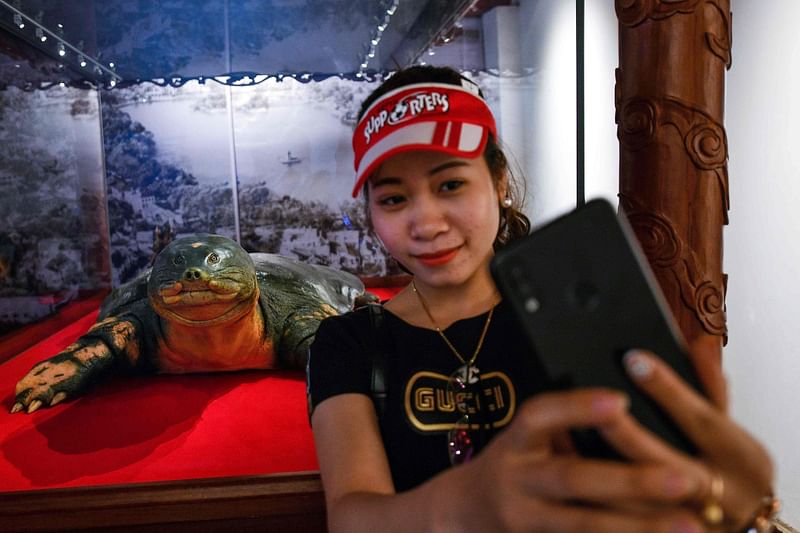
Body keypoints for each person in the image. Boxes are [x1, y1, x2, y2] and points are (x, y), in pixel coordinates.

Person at [307, 65, 777, 532]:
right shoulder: (348, 343)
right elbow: (352, 516)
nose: (426, 224)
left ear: (499, 183)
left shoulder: (578, 317)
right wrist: (465, 505)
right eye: (393, 199)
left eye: (450, 185)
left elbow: (661, 484)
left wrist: (730, 508)